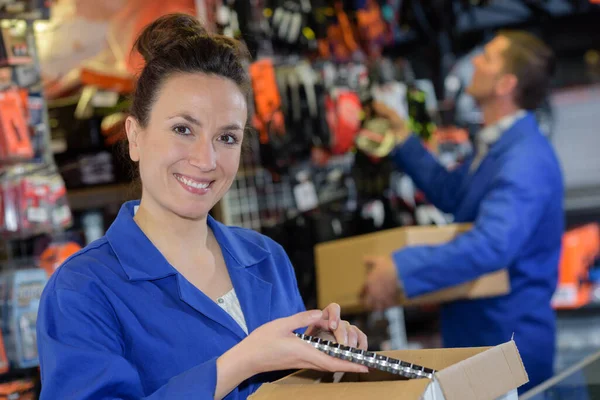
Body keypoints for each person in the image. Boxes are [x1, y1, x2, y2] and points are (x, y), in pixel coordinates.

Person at [37, 13, 369, 400]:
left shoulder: (267, 259)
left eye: (227, 137)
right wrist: (238, 364)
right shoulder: (82, 290)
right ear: (135, 136)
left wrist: (312, 358)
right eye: (183, 129)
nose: (206, 159)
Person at [361, 30, 563, 393]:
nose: (474, 64)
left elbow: (492, 245)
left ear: (505, 83)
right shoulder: (499, 146)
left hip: (506, 346)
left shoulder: (525, 160)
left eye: (486, 58)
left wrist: (402, 268)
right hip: (484, 337)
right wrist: (405, 140)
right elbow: (452, 193)